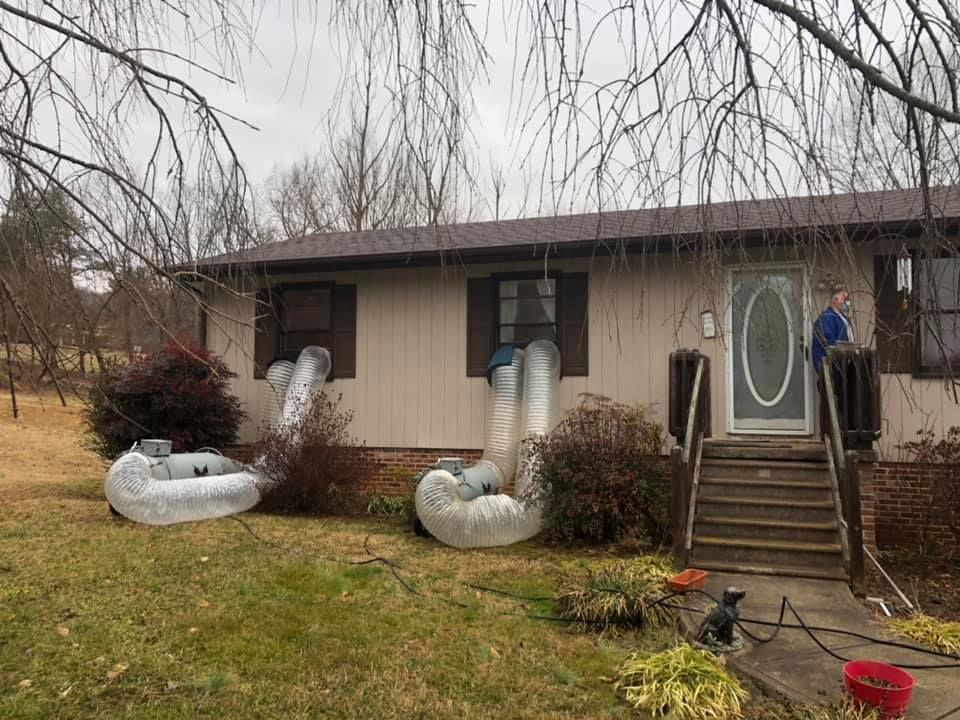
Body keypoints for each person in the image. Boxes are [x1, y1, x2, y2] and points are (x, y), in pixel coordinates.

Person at [812, 286, 854, 373]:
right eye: (844, 298)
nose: (847, 302)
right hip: (832, 367)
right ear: (835, 300)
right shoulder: (827, 318)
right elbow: (830, 343)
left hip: (843, 366)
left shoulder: (842, 318)